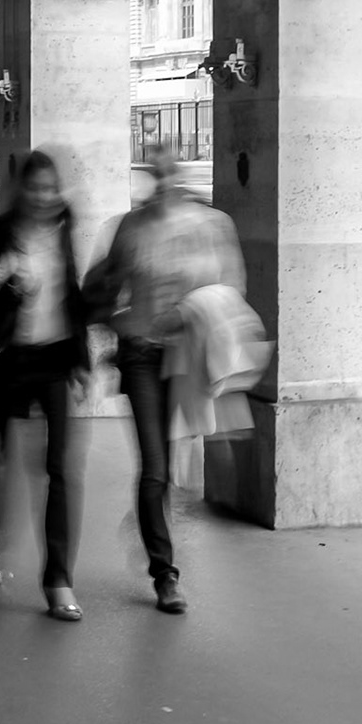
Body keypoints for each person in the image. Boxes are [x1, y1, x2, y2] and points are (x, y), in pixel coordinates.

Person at [84, 143, 247, 615]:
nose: (161, 180)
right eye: (153, 172)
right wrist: (118, 321)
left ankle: (150, 518)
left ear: (181, 174)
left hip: (193, 356)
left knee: (177, 465)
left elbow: (233, 287)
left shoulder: (213, 225)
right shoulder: (130, 228)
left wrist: (190, 311)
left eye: (168, 170)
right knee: (155, 466)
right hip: (141, 358)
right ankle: (165, 574)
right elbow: (102, 290)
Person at [0, 150, 91, 621]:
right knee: (4, 461)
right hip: (10, 360)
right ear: (20, 190)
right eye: (36, 187)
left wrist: (82, 360)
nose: (44, 196)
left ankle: (58, 581)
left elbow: (72, 295)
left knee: (59, 470)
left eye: (51, 188)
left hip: (54, 360)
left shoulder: (66, 230)